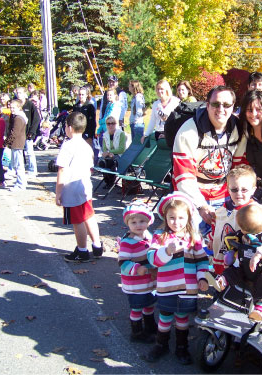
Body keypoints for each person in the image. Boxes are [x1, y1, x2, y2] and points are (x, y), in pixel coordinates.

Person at [145, 192, 209, 365]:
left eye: (181, 217)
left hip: (188, 289)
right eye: (172, 217)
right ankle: (161, 344)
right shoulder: (160, 236)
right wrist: (166, 251)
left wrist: (202, 278)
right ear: (165, 217)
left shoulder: (194, 238)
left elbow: (202, 261)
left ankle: (182, 347)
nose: (176, 222)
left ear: (188, 217)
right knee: (165, 316)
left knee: (182, 318)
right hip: (167, 287)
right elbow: (152, 260)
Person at [172, 85, 247, 229]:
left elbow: (239, 169)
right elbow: (183, 177)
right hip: (192, 195)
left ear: (233, 107)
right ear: (207, 106)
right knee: (193, 244)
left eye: (226, 105)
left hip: (225, 193)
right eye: (215, 104)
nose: (221, 109)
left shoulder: (239, 129)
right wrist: (201, 206)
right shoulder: (187, 132)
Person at [208, 204, 262, 322]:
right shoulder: (245, 233)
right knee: (232, 271)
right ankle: (222, 280)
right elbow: (236, 238)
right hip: (245, 266)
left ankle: (260, 308)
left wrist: (259, 254)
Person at [55, 112, 103, 262]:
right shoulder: (86, 146)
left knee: (78, 221)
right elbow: (90, 167)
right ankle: (97, 245)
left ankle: (82, 250)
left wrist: (58, 193)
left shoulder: (67, 146)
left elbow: (61, 170)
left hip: (71, 187)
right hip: (85, 186)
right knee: (89, 215)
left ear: (69, 128)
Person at [208, 165, 262, 275]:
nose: (238, 193)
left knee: (235, 280)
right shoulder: (222, 210)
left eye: (244, 190)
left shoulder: (255, 211)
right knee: (220, 277)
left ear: (253, 190)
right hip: (221, 253)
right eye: (234, 190)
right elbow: (216, 225)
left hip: (240, 258)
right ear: (228, 189)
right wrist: (211, 239)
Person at [118, 200, 158, 342]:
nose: (138, 225)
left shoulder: (149, 236)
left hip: (149, 280)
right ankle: (136, 332)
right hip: (135, 283)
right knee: (137, 308)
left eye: (142, 221)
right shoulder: (127, 242)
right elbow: (122, 262)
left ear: (148, 221)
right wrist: (136, 268)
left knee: (149, 303)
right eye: (133, 222)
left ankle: (150, 326)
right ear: (128, 224)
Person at [15, 86, 40, 178]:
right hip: (18, 133)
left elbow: (37, 119)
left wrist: (32, 131)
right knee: (18, 152)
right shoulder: (15, 104)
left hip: (28, 133)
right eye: (17, 93)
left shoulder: (30, 105)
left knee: (29, 152)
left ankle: (32, 170)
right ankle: (19, 169)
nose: (18, 95)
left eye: (20, 93)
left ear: (25, 94)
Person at [4, 99, 27, 191]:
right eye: (10, 107)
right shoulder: (17, 116)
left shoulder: (18, 118)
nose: (11, 109)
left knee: (19, 165)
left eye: (13, 107)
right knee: (17, 164)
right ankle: (21, 182)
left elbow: (14, 132)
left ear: (19, 107)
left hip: (17, 143)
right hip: (16, 143)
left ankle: (21, 185)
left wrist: (6, 142)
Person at [98, 116, 127, 188]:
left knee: (111, 162)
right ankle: (108, 181)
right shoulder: (105, 135)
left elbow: (122, 149)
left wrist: (110, 152)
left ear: (116, 124)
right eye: (108, 124)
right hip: (109, 155)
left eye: (113, 123)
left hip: (120, 155)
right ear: (106, 125)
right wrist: (107, 153)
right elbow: (104, 148)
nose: (110, 125)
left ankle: (111, 182)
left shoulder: (121, 134)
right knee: (101, 162)